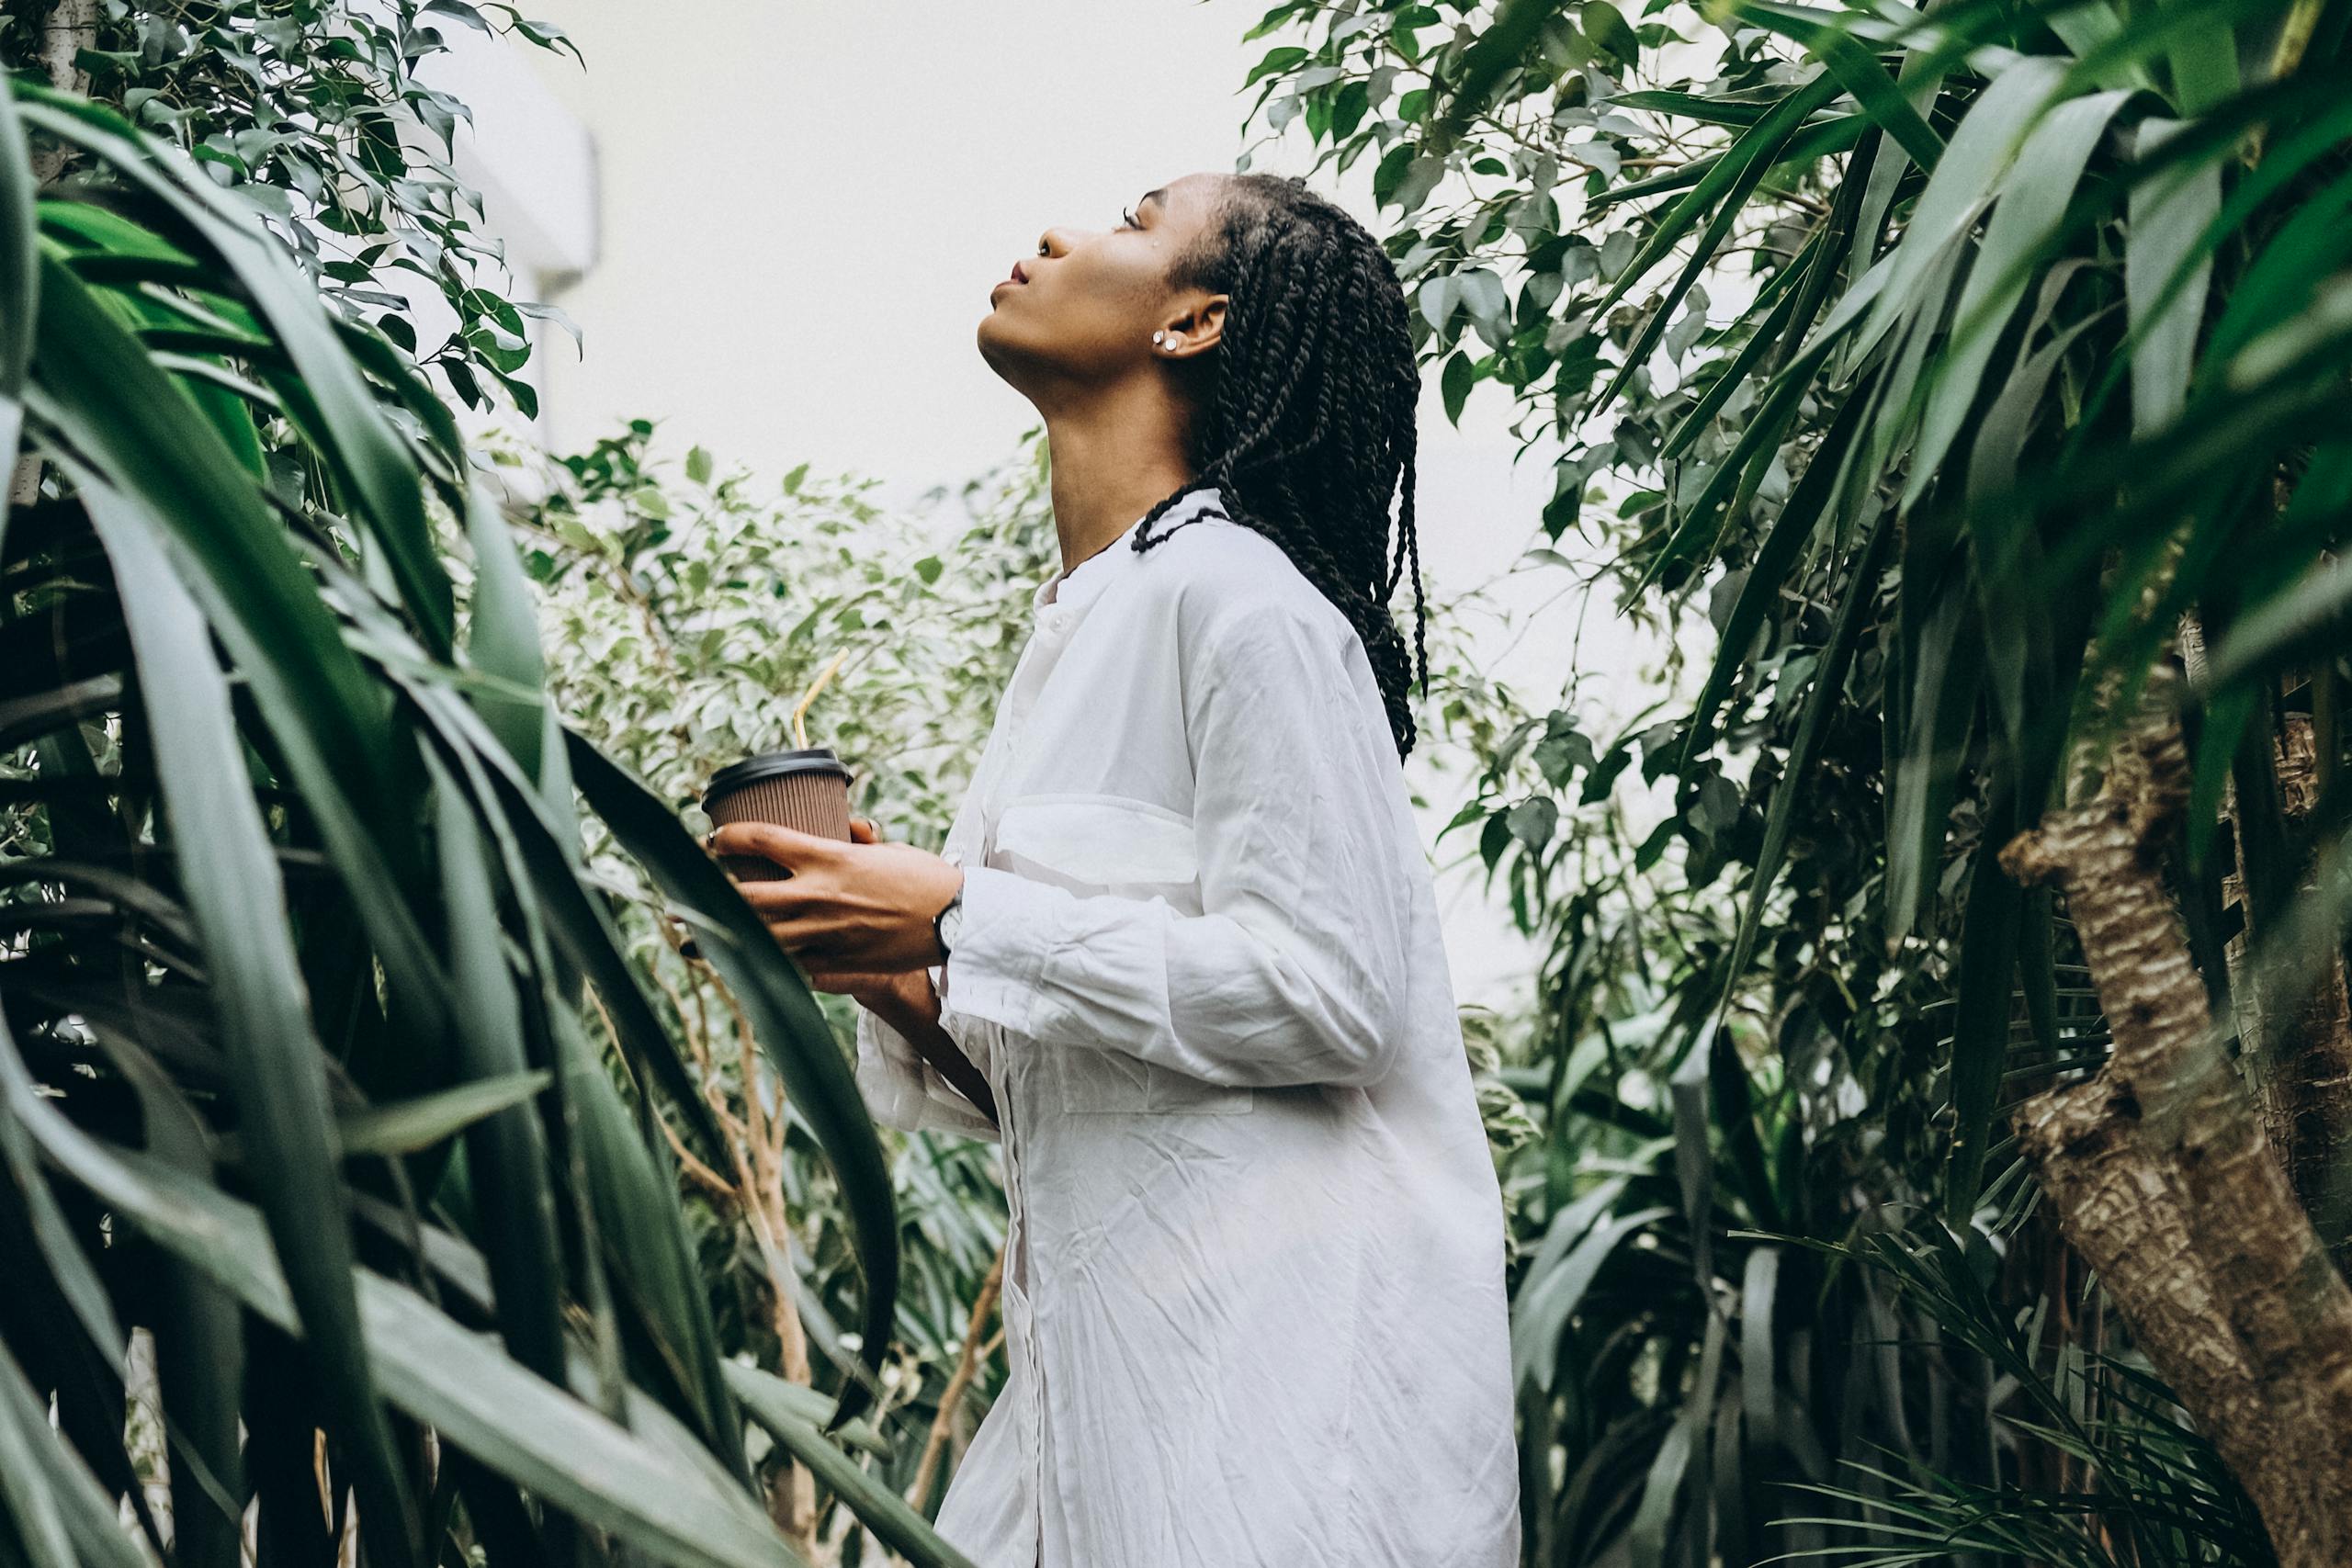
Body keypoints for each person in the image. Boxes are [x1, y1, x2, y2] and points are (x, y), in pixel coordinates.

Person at [706, 171, 1521, 1568]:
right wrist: (890, 959)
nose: (1056, 235)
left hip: (1281, 1424)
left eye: (1134, 223)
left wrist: (957, 906)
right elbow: (1075, 1067)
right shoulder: (1079, 640)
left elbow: (1329, 996)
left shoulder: (1245, 601)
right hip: (1096, 1408)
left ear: (1193, 322)